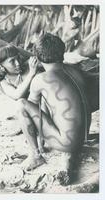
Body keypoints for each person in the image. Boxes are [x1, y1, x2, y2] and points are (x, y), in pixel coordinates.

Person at [16, 33, 91, 185]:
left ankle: (36, 155)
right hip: (83, 138)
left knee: (21, 104)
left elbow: (31, 108)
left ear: (37, 57)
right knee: (48, 98)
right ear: (62, 52)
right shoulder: (75, 71)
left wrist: (31, 73)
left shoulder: (40, 79)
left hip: (66, 143)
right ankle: (50, 146)